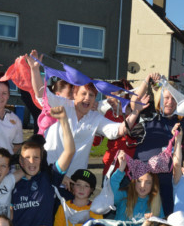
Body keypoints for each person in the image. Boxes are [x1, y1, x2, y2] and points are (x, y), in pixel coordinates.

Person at [26, 50, 141, 178]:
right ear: (74, 94)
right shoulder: (63, 105)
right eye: (83, 94)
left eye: (91, 95)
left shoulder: (95, 118)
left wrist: (135, 112)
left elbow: (118, 130)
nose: (87, 98)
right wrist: (35, 70)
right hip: (48, 171)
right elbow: (41, 95)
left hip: (75, 181)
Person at [11, 106, 75, 226]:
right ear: (20, 161)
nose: (31, 162)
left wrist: (64, 120)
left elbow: (70, 151)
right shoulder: (10, 183)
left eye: (36, 158)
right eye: (27, 158)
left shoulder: (48, 178)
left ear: (42, 160)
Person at [129, 73, 184, 215]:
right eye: (166, 98)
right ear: (160, 98)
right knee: (141, 216)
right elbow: (134, 103)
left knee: (165, 218)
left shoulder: (183, 122)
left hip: (167, 179)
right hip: (144, 177)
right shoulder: (150, 114)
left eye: (173, 98)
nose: (170, 102)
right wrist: (146, 80)